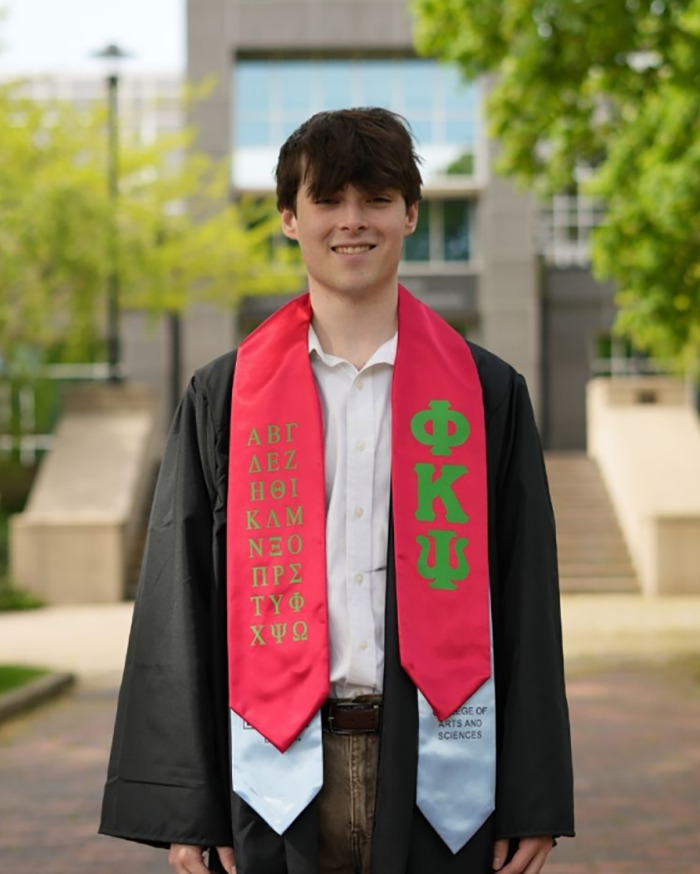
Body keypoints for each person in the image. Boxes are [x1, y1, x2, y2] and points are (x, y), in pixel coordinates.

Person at [100, 107, 574, 874]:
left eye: (378, 199)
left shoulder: (484, 394)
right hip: (274, 774)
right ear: (289, 217)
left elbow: (526, 597)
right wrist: (190, 803)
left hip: (440, 769)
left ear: (411, 214)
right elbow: (179, 596)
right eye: (328, 200)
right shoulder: (227, 399)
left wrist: (534, 795)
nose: (353, 222)